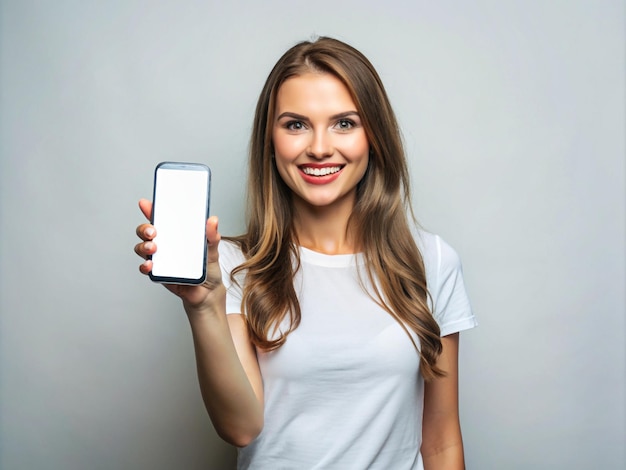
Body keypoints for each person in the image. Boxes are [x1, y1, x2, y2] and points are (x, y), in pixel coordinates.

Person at [134, 36, 477, 470]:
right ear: (270, 140)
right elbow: (241, 427)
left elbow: (443, 443)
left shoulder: (431, 261)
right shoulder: (235, 268)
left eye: (344, 123)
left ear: (374, 136)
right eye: (296, 124)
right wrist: (204, 306)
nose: (318, 147)